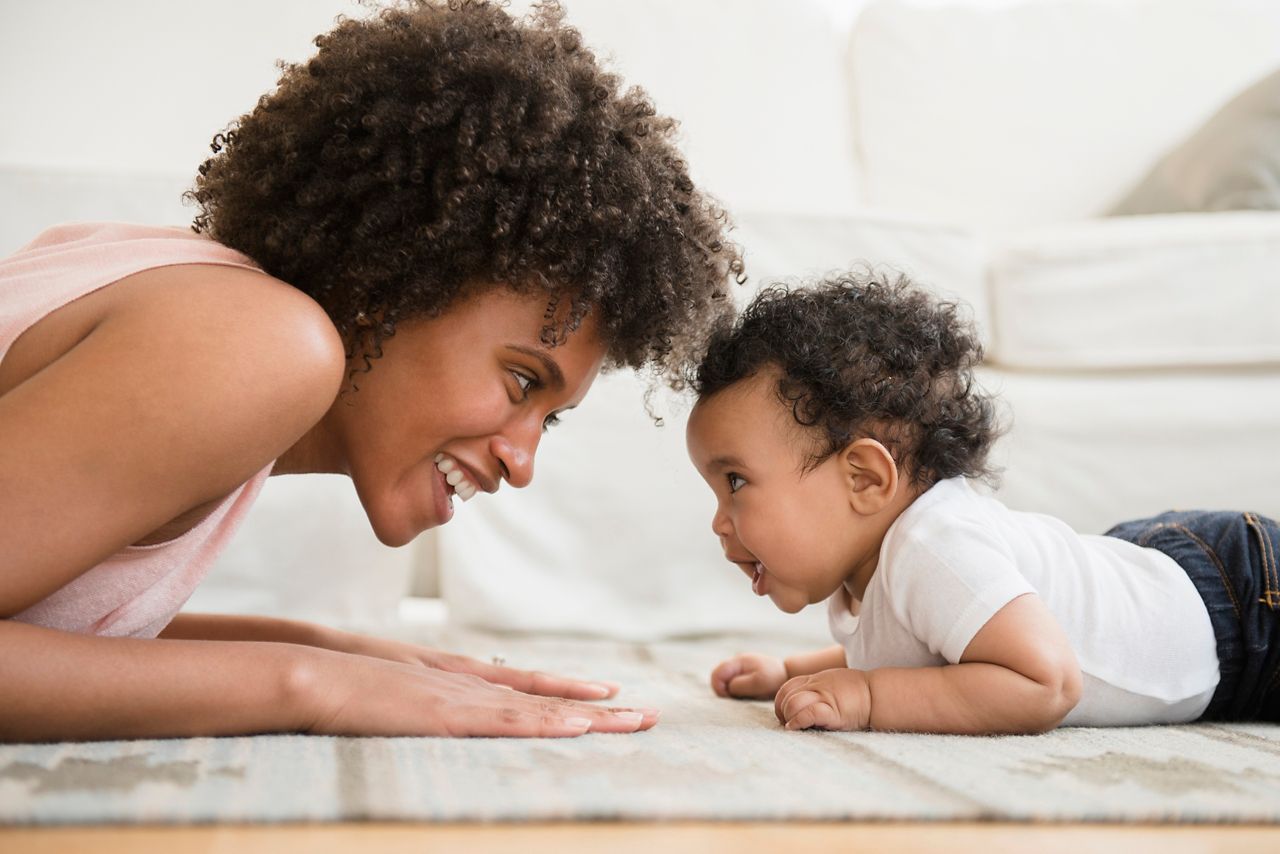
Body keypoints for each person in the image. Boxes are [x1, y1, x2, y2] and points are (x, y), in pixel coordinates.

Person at [0, 1, 740, 741]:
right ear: (392, 282)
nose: (522, 463)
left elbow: (53, 618)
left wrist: (327, 650)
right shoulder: (256, 345)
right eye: (521, 382)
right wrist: (312, 686)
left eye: (548, 419)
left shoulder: (202, 309)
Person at [685, 271, 1279, 734]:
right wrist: (793, 671)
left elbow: (1046, 682)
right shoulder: (873, 568)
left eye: (734, 482)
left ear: (864, 479)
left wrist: (867, 697)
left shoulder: (933, 547)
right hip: (1161, 575)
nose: (718, 521)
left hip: (1240, 603)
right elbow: (920, 644)